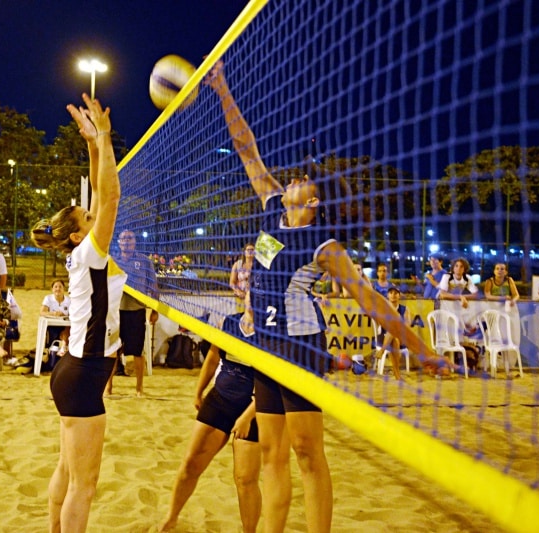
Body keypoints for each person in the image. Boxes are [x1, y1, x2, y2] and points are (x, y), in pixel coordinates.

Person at [205, 60, 447, 533]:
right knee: (271, 451)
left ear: (314, 202)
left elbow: (373, 303)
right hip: (267, 347)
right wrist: (221, 90)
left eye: (301, 181)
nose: (291, 179)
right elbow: (246, 149)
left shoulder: (324, 247)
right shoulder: (273, 209)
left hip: (301, 345)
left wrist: (424, 352)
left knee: (306, 452)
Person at [30, 93, 125, 533]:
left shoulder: (80, 251)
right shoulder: (88, 252)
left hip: (73, 369)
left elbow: (99, 193)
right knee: (83, 485)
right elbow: (111, 194)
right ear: (77, 234)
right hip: (85, 373)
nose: (96, 216)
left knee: (68, 472)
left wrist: (93, 146)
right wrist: (103, 136)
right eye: (88, 217)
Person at [158, 311, 261, 532]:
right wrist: (198, 392)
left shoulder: (272, 329)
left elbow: (273, 381)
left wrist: (247, 416)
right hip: (221, 398)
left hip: (255, 406)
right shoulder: (230, 321)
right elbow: (214, 357)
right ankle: (171, 519)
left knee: (244, 480)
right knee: (190, 463)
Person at [106, 229, 159, 397]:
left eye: (130, 238)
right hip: (116, 312)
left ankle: (139, 389)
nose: (126, 241)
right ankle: (108, 388)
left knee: (137, 352)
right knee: (111, 351)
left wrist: (155, 310)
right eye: (123, 239)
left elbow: (153, 287)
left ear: (135, 241)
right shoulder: (113, 261)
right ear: (119, 242)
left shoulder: (144, 262)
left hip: (136, 311)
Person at [373, 286, 411, 380]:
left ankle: (381, 351)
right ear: (387, 295)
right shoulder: (383, 308)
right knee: (394, 339)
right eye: (391, 293)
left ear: (399, 295)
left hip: (400, 336)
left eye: (395, 293)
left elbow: (407, 327)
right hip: (384, 337)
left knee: (395, 336)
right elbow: (381, 324)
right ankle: (397, 374)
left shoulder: (405, 310)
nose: (393, 295)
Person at [41, 279, 71, 357]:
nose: (58, 289)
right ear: (52, 289)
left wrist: (63, 315)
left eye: (60, 287)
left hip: (65, 326)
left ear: (64, 289)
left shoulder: (69, 300)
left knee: (69, 328)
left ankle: (64, 347)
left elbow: (72, 315)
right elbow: (42, 312)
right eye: (55, 287)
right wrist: (53, 314)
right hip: (52, 326)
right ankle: (51, 353)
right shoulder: (48, 298)